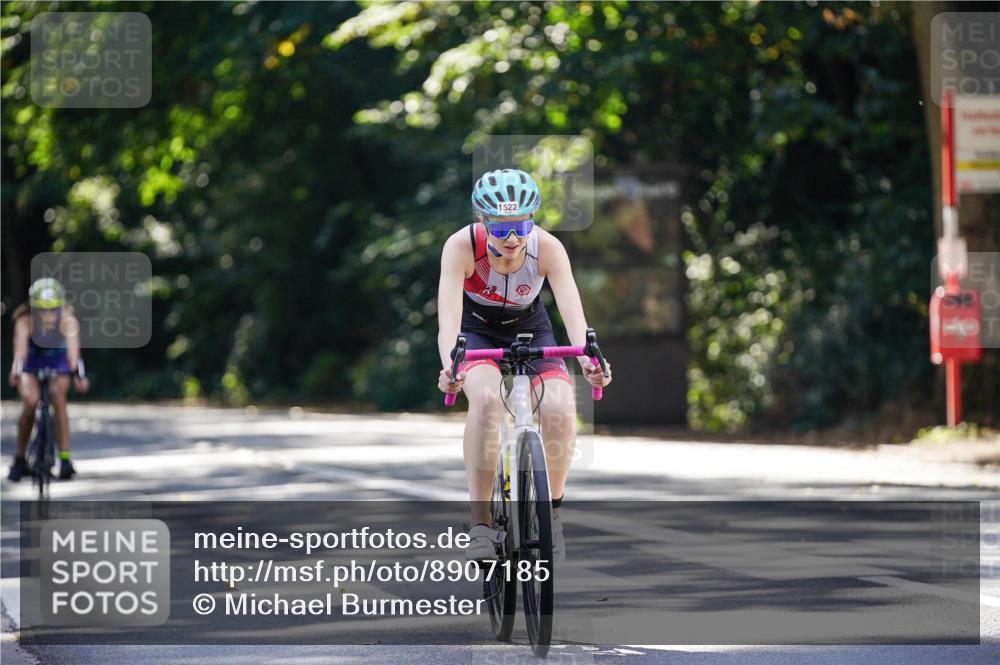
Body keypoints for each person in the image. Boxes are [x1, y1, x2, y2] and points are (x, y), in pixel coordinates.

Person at [437, 168, 612, 563]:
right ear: (483, 222)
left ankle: (550, 514)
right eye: (501, 229)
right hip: (476, 333)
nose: (513, 238)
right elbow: (448, 321)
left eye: (521, 225)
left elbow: (574, 317)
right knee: (484, 403)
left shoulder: (547, 248)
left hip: (530, 329)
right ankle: (481, 526)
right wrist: (452, 366)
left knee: (560, 409)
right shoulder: (460, 247)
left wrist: (590, 358)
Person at [7, 278, 89, 481]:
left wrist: (79, 375)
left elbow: (73, 355)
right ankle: (19, 458)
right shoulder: (24, 321)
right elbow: (20, 354)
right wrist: (16, 373)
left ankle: (64, 458)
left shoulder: (68, 321)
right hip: (32, 363)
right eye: (42, 310)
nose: (47, 314)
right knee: (30, 402)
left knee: (57, 396)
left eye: (52, 309)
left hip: (57, 361)